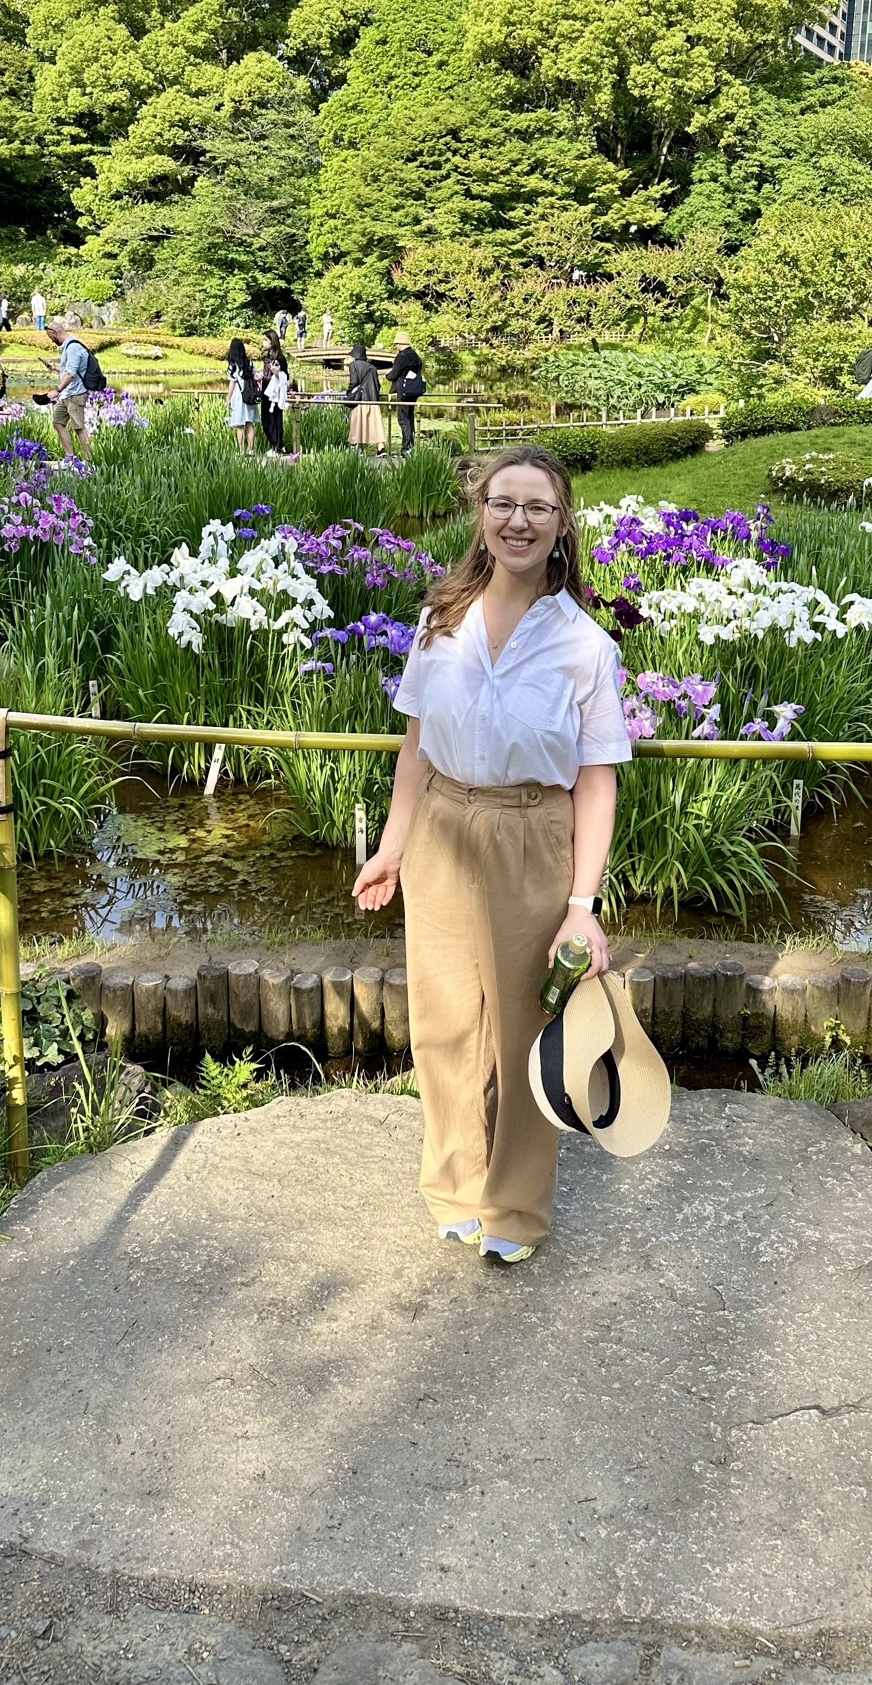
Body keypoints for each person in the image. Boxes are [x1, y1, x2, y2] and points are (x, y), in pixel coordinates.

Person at [353, 444, 631, 1267]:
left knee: (525, 1031)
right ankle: (453, 1184)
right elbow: (414, 749)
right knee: (443, 1022)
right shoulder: (442, 619)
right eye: (503, 503)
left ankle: (514, 1208)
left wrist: (583, 906)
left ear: (560, 525)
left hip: (528, 832)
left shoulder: (584, 646)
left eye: (537, 507)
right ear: (480, 515)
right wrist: (391, 849)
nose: (518, 520)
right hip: (441, 826)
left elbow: (596, 783)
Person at [44, 317, 92, 461]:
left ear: (54, 332)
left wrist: (56, 390)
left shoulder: (73, 347)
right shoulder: (68, 346)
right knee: (58, 422)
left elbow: (71, 374)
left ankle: (89, 460)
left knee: (78, 427)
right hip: (67, 393)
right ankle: (69, 457)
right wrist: (55, 368)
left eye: (50, 337)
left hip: (76, 394)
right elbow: (69, 370)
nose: (52, 341)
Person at [387, 329, 425, 453]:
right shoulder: (415, 356)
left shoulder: (402, 356)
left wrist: (388, 376)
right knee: (410, 418)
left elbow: (393, 374)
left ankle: (406, 447)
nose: (396, 346)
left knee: (403, 419)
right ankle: (411, 445)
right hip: (413, 391)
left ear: (400, 344)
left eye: (396, 344)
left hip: (403, 390)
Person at [346, 342, 384, 452]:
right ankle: (381, 448)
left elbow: (354, 382)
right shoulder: (372, 367)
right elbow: (377, 384)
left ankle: (359, 448)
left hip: (360, 399)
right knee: (376, 424)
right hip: (373, 399)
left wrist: (349, 393)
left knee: (358, 423)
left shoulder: (353, 365)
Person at [227, 338, 259, 452]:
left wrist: (228, 398)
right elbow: (255, 376)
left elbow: (232, 382)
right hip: (249, 396)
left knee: (239, 425)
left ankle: (241, 450)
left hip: (238, 396)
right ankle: (250, 450)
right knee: (249, 423)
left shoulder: (233, 365)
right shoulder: (249, 362)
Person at [261, 330, 290, 453]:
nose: (264, 342)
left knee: (275, 418)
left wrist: (277, 374)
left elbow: (285, 376)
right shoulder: (267, 355)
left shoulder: (280, 357)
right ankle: (273, 443)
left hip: (275, 392)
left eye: (266, 340)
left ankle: (278, 445)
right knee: (265, 419)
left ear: (272, 341)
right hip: (266, 389)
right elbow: (265, 371)